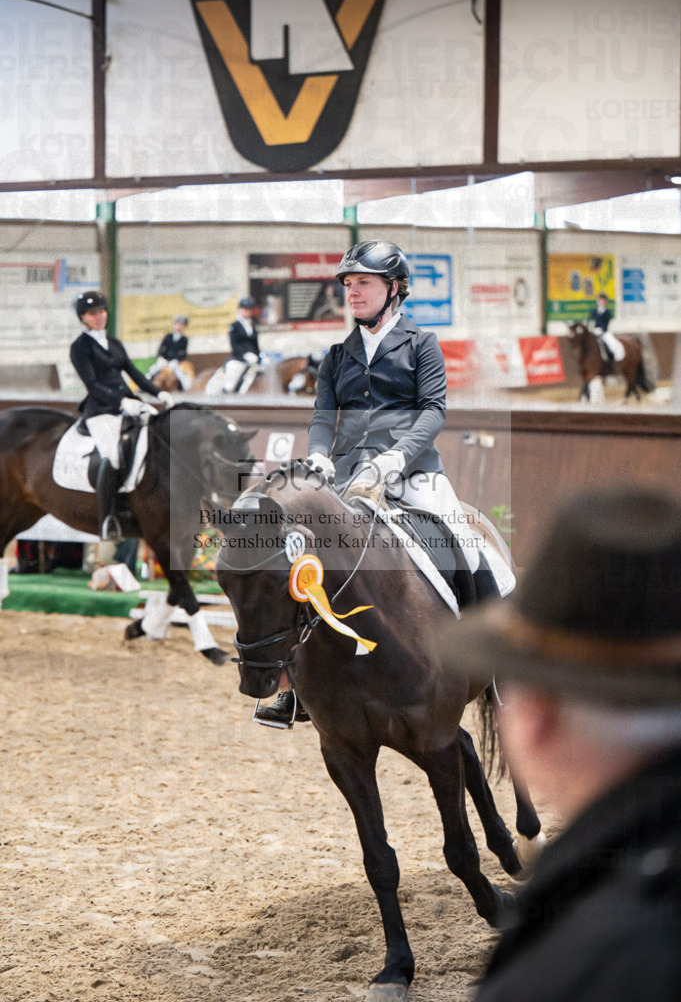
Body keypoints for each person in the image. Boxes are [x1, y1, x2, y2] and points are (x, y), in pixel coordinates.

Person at [255, 240, 512, 726]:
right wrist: (317, 456)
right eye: (348, 285)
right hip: (349, 475)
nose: (353, 293)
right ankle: (294, 685)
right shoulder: (337, 355)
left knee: (465, 545)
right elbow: (322, 417)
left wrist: (396, 457)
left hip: (413, 471)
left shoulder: (422, 344)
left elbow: (433, 411)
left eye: (363, 283)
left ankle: (500, 668)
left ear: (393, 289)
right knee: (302, 555)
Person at [447, 485, 681, 1002]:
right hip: (357, 484)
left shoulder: (570, 972)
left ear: (536, 719)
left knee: (457, 540)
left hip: (415, 476)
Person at [69, 291, 173, 541]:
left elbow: (134, 373)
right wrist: (121, 401)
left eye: (102, 311)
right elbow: (92, 385)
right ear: (83, 317)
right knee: (112, 455)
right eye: (93, 313)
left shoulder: (114, 343)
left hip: (129, 404)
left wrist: (159, 393)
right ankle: (107, 519)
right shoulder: (79, 347)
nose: (99, 316)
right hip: (101, 410)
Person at [147, 316, 192, 388]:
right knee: (153, 369)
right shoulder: (168, 336)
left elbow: (183, 353)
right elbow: (161, 348)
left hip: (174, 361)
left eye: (181, 325)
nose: (179, 326)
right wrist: (161, 357)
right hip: (164, 360)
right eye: (177, 324)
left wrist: (177, 360)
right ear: (174, 325)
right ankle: (147, 384)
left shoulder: (184, 339)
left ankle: (183, 387)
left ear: (184, 326)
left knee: (179, 373)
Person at [589, 292, 618, 369]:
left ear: (605, 301)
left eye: (602, 300)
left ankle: (611, 361)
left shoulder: (608, 312)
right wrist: (591, 328)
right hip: (594, 332)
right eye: (599, 300)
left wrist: (601, 329)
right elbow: (590, 321)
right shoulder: (593, 311)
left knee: (611, 344)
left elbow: (606, 323)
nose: (600, 301)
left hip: (604, 332)